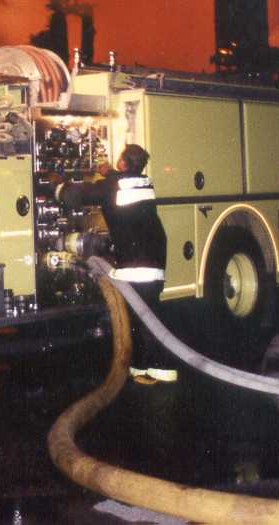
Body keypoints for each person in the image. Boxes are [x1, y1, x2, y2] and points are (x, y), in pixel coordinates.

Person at [55, 144, 173, 384]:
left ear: (123, 163)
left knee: (140, 316)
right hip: (155, 256)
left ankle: (156, 366)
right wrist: (109, 172)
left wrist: (57, 185)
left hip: (136, 262)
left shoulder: (113, 185)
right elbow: (119, 182)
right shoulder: (143, 182)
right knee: (148, 313)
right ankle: (145, 367)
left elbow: (78, 196)